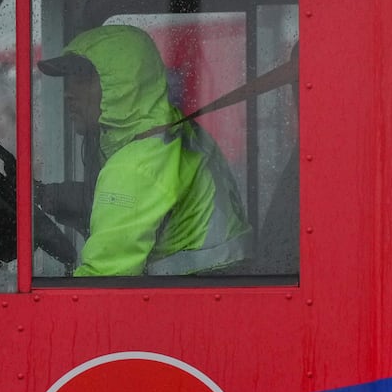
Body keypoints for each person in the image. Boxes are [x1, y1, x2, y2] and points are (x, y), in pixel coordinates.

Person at [35, 25, 249, 277]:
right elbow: (132, 206)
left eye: (83, 80)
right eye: (68, 81)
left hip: (186, 307)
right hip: (224, 289)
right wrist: (47, 195)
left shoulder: (133, 166)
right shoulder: (174, 130)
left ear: (124, 85)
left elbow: (98, 286)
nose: (68, 93)